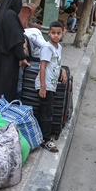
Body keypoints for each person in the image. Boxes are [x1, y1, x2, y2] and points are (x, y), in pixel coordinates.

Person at [36, 21, 68, 153]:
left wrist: (63, 70)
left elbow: (56, 63)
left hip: (51, 85)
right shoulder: (47, 47)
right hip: (46, 85)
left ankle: (41, 135)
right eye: (53, 33)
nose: (55, 36)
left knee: (45, 110)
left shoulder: (58, 47)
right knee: (47, 113)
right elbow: (42, 67)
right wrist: (43, 87)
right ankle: (45, 140)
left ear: (62, 33)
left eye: (58, 33)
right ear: (48, 33)